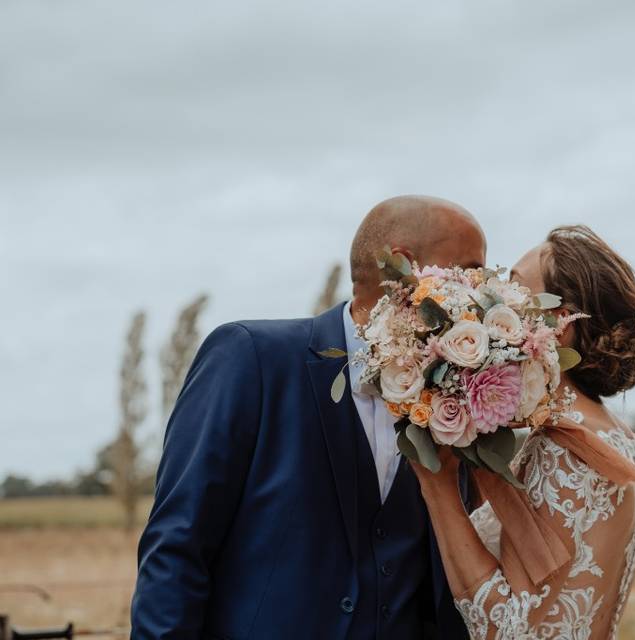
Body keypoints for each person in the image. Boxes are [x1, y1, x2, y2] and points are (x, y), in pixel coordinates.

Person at [131, 195, 485, 639]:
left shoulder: (460, 397)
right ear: (403, 267)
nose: (481, 292)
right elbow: (177, 546)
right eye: (471, 270)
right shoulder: (252, 359)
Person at [412, 224, 635, 639]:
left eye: (515, 289)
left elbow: (509, 630)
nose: (495, 302)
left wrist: (438, 488)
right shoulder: (608, 433)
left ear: (561, 323)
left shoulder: (571, 450)